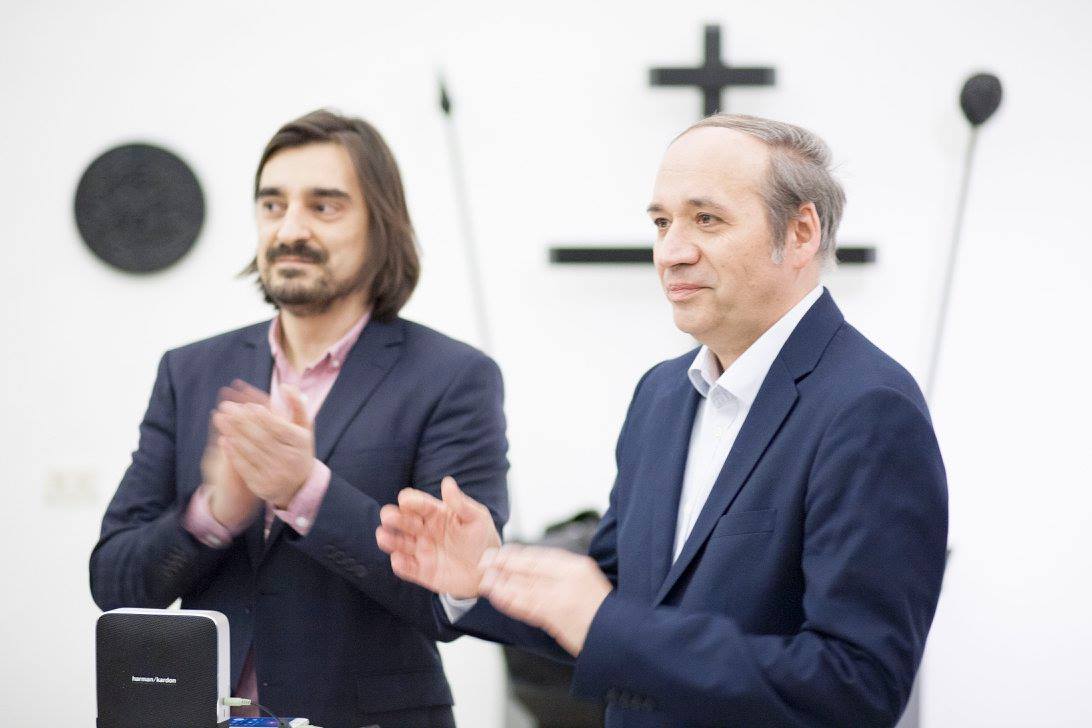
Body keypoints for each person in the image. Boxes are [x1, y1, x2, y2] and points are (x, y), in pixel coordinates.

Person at [376, 114, 948, 728]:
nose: (671, 252)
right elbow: (616, 601)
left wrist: (604, 622)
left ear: (801, 232)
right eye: (661, 222)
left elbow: (856, 687)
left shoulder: (869, 409)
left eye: (707, 219)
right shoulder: (661, 395)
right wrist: (485, 575)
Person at [89, 109, 509, 728]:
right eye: (272, 204)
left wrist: (305, 491)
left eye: (324, 206)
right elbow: (113, 584)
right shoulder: (190, 371)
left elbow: (449, 601)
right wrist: (213, 514)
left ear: (381, 226)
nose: (289, 229)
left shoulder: (453, 377)